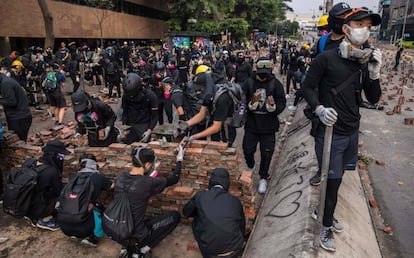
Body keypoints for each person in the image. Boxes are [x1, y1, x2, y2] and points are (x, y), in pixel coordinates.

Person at [302, 8, 382, 252]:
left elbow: (374, 97)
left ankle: (324, 213)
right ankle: (324, 225)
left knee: (340, 179)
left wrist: (375, 73)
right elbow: (308, 88)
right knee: (332, 183)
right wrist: (319, 109)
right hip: (329, 133)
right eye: (359, 24)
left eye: (368, 26)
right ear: (346, 28)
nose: (364, 30)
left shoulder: (366, 60)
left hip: (351, 130)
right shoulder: (325, 59)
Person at [116, 145, 183, 257]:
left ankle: (126, 247)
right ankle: (141, 250)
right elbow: (174, 178)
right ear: (147, 164)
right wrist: (179, 159)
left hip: (116, 228)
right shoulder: (147, 183)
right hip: (135, 234)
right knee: (174, 217)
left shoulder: (121, 176)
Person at [243, 58, 286, 194]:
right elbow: (241, 101)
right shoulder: (249, 83)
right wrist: (249, 106)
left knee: (267, 153)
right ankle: (251, 166)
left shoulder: (275, 84)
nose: (263, 76)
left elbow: (282, 103)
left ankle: (263, 176)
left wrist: (273, 107)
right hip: (252, 124)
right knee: (247, 149)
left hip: (269, 126)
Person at [183, 168, 245, 258]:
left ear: (211, 181)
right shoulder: (235, 201)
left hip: (210, 253)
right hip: (235, 249)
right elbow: (241, 225)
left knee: (196, 219)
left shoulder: (200, 196)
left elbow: (186, 212)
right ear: (227, 183)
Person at [59, 153, 113, 247]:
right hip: (84, 228)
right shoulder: (97, 177)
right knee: (99, 209)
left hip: (64, 226)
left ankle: (75, 234)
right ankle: (91, 238)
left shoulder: (73, 177)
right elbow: (112, 186)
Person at [177, 69, 234, 146]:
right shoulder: (207, 94)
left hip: (225, 130)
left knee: (222, 150)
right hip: (215, 124)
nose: (198, 91)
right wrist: (186, 124)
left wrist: (194, 137)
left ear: (207, 86)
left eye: (200, 88)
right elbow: (201, 114)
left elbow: (216, 127)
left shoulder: (222, 98)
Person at [24, 141, 70, 230]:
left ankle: (31, 216)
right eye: (60, 156)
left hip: (23, 204)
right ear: (53, 155)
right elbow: (59, 192)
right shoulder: (52, 171)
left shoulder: (29, 163)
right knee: (66, 198)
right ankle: (44, 219)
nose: (62, 159)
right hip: (37, 209)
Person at [121, 73, 159, 144]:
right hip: (131, 124)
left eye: (132, 94)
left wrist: (149, 130)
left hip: (144, 124)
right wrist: (124, 126)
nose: (131, 97)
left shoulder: (150, 96)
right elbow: (125, 111)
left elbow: (155, 116)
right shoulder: (126, 96)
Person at [0, 73, 32, 141]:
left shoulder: (5, 84)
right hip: (21, 115)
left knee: (19, 143)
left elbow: (11, 102)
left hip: (18, 118)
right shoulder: (7, 81)